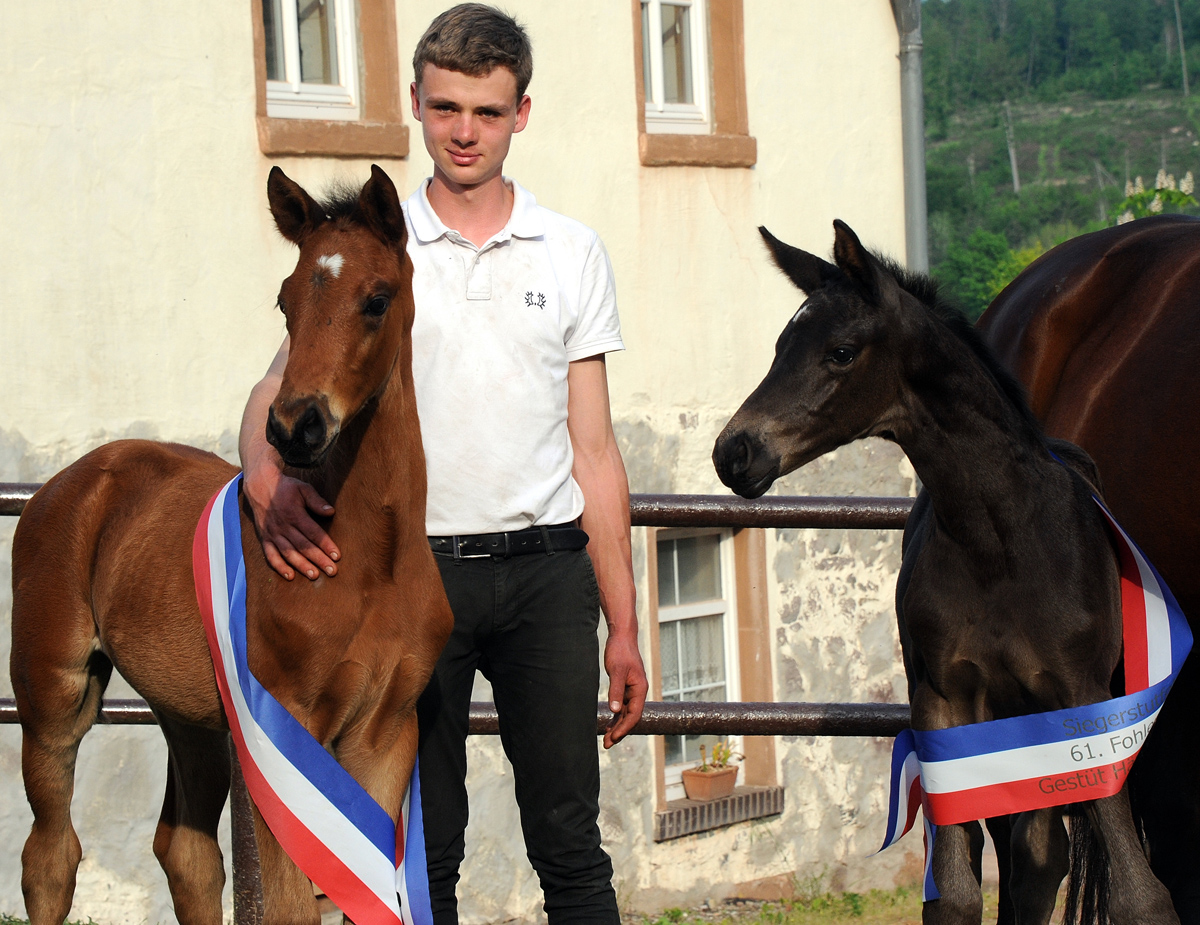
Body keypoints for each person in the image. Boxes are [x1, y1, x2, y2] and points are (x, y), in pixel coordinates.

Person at [238, 5, 648, 923]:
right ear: (418, 103)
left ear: (522, 115)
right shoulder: (374, 248)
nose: (466, 130)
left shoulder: (573, 251)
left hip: (547, 575)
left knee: (570, 845)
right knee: (425, 850)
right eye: (448, 106)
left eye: (489, 111)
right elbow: (276, 388)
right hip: (416, 580)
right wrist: (263, 481)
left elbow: (596, 450)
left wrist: (622, 622)